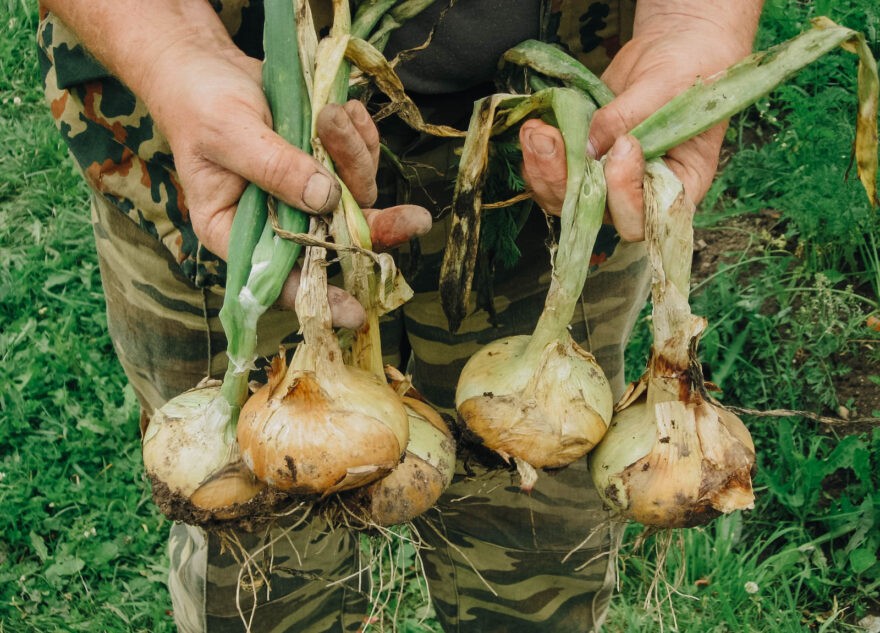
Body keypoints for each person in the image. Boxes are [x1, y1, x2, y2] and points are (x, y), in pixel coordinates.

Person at [38, 1, 763, 631]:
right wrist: (170, 50)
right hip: (229, 147)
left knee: (534, 555)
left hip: (569, 144)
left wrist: (695, 19)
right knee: (254, 561)